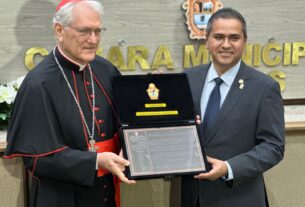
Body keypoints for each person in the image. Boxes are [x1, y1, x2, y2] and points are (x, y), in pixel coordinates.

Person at [4, 1, 135, 207]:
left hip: (105, 191)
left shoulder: (106, 70)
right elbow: (36, 159)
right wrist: (95, 161)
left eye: (97, 31)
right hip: (60, 196)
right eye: (84, 31)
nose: (93, 40)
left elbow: (127, 121)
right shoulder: (38, 83)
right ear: (59, 30)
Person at [181, 8, 285, 207]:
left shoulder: (264, 87)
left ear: (244, 41)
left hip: (239, 198)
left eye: (234, 38)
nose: (226, 44)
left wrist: (229, 168)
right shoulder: (187, 79)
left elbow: (273, 147)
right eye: (218, 37)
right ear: (207, 41)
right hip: (193, 198)